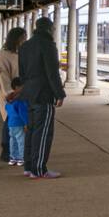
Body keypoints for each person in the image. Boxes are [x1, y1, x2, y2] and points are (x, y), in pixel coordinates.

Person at [18, 16, 66, 180]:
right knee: (43, 132)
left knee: (31, 131)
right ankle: (39, 170)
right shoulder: (48, 45)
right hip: (43, 94)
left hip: (29, 93)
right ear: (49, 29)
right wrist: (59, 93)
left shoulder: (25, 46)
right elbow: (52, 73)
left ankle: (29, 166)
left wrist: (27, 88)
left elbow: (22, 73)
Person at [0, 27, 26, 164]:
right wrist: (10, 93)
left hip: (22, 92)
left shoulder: (19, 52)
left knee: (17, 124)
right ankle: (7, 152)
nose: (25, 40)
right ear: (16, 38)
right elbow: (3, 77)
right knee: (10, 123)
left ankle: (17, 153)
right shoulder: (2, 55)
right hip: (12, 95)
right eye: (23, 37)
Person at [5, 76, 29, 169]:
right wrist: (26, 123)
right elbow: (23, 113)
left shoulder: (9, 100)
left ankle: (13, 158)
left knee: (12, 141)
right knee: (21, 141)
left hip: (11, 124)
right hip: (19, 124)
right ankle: (21, 158)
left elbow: (6, 109)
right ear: (17, 87)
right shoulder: (20, 100)